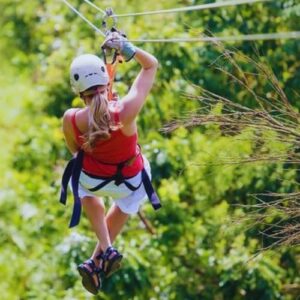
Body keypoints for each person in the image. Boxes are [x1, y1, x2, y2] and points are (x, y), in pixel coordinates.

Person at [60, 31, 160, 295]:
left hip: (93, 180)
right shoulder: (126, 111)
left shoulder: (71, 119)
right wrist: (128, 49)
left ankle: (104, 250)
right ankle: (98, 257)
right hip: (130, 180)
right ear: (105, 82)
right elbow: (151, 65)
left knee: (77, 175)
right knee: (129, 197)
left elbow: (75, 149)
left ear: (78, 91)